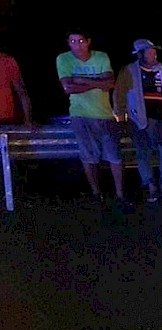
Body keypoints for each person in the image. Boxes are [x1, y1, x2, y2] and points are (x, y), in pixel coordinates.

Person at [56, 31, 131, 208]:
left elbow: (110, 84)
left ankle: (120, 194)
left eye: (81, 40)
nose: (77, 45)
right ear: (68, 43)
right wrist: (97, 82)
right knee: (89, 156)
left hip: (105, 114)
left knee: (114, 155)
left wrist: (81, 80)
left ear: (88, 42)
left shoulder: (101, 57)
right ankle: (96, 193)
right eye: (73, 41)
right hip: (80, 114)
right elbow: (68, 88)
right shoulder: (63, 59)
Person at [113, 38, 162, 203]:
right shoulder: (129, 71)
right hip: (140, 118)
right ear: (140, 54)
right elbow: (119, 94)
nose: (154, 54)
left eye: (154, 51)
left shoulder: (160, 70)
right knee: (143, 152)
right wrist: (122, 117)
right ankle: (151, 186)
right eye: (150, 52)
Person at [0, 51, 32, 128]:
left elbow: (21, 92)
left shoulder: (7, 61)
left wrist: (28, 120)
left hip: (6, 118)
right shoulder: (7, 61)